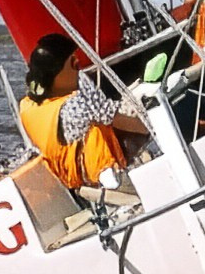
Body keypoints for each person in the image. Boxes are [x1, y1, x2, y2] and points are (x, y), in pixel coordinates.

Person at [18, 31, 147, 192]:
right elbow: (111, 116)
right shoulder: (74, 108)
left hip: (67, 177)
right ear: (56, 74)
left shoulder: (27, 105)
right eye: (73, 63)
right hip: (96, 176)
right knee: (99, 130)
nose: (78, 66)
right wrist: (153, 130)